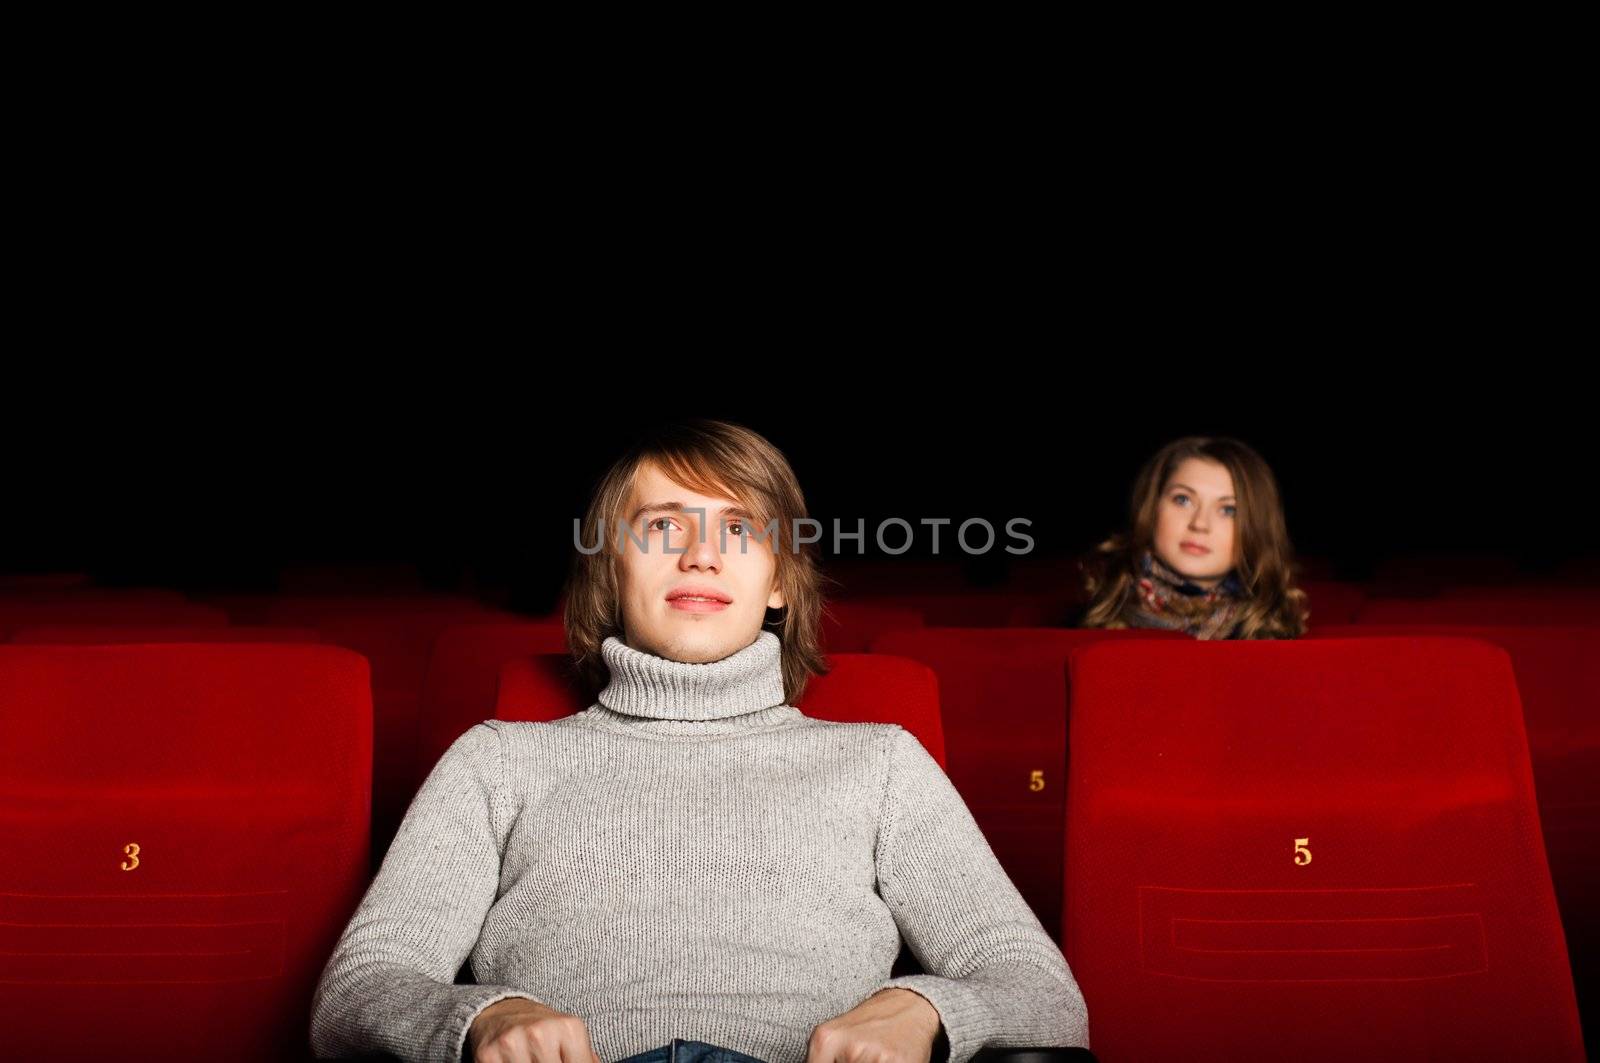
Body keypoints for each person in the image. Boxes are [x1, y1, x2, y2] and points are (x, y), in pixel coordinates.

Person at [309, 419, 1090, 1063]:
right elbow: (358, 991)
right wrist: (483, 1016)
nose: (700, 553)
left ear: (780, 582)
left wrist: (921, 1006)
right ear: (611, 572)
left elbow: (1045, 994)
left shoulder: (881, 762)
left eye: (739, 528)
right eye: (662, 527)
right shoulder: (497, 760)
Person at [1076, 435, 1308, 639]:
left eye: (1229, 510)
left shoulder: (1271, 633)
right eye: (1183, 500)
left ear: (1256, 530)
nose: (1199, 524)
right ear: (1152, 508)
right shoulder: (1100, 614)